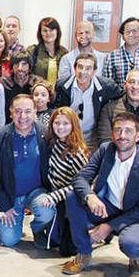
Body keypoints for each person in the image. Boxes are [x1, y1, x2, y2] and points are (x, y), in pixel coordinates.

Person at [61, 112, 139, 276]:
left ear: (138, 136)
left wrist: (109, 226)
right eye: (118, 130)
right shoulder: (105, 150)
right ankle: (83, 253)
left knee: (131, 244)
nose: (122, 135)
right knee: (73, 197)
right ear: (112, 134)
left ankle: (136, 256)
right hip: (110, 208)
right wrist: (90, 196)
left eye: (128, 131)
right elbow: (80, 177)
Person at [0, 94, 56, 249]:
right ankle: (13, 224)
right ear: (11, 112)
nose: (23, 116)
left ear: (35, 112)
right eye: (18, 111)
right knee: (9, 240)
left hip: (37, 193)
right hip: (11, 197)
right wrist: (5, 206)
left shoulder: (46, 134)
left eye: (27, 111)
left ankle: (37, 229)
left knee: (46, 211)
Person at [35, 108, 90, 254]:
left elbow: (80, 185)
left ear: (74, 126)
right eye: (57, 123)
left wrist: (55, 196)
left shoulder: (77, 152)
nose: (60, 127)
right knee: (52, 241)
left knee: (67, 250)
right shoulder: (53, 144)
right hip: (54, 194)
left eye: (66, 123)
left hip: (70, 198)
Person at [53, 53, 122, 149]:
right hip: (68, 136)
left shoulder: (107, 86)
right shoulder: (62, 85)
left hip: (92, 138)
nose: (83, 72)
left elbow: (122, 95)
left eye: (88, 68)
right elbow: (55, 109)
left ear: (94, 71)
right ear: (74, 68)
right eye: (80, 67)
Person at [102, 17, 139, 86]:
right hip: (121, 96)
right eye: (127, 32)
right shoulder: (111, 57)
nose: (131, 34)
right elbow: (108, 85)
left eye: (134, 31)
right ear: (123, 35)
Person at [0, 53, 43, 124]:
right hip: (6, 125)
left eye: (24, 64)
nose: (20, 68)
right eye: (16, 64)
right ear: (12, 67)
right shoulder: (2, 84)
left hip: (32, 125)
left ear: (29, 67)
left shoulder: (38, 83)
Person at [26, 17, 67, 84]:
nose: (48, 33)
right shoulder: (32, 51)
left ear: (57, 31)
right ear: (40, 33)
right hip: (38, 93)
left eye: (51, 30)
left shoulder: (64, 52)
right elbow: (26, 74)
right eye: (45, 30)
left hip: (59, 93)